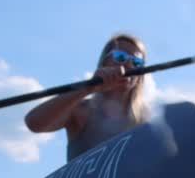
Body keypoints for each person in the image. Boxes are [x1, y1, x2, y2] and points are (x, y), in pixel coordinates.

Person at [25, 33, 151, 161]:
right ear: (104, 62)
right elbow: (34, 123)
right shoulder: (82, 110)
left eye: (137, 62)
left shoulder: (147, 119)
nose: (129, 65)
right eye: (120, 57)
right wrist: (89, 87)